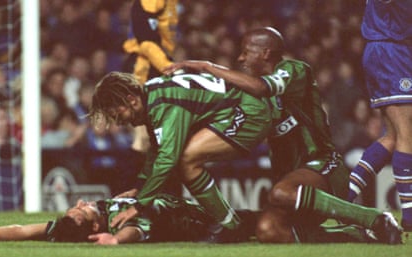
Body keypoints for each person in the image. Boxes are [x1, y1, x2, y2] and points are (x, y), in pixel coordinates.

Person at [163, 27, 403, 244]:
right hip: (293, 185)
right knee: (269, 230)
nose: (240, 58)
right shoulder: (250, 93)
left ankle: (376, 218)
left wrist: (207, 67)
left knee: (280, 192)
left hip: (324, 167)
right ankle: (351, 234)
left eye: (246, 52)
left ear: (265, 53)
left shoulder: (296, 71)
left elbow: (263, 87)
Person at [87, 71, 272, 241]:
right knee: (183, 158)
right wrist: (139, 188)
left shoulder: (163, 105)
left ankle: (232, 226)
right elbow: (156, 150)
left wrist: (139, 206)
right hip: (237, 109)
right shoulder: (153, 96)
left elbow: (167, 159)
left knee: (184, 160)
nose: (120, 123)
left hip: (248, 113)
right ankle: (231, 224)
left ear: (131, 100)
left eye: (118, 115)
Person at [344, 0, 412, 232]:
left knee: (393, 136)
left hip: (392, 51)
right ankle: (410, 216)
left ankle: (345, 197)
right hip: (389, 51)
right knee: (406, 131)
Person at [0, 194, 255, 244]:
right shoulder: (117, 219)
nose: (80, 204)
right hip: (212, 224)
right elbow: (136, 230)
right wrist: (116, 239)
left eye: (74, 207)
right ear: (94, 226)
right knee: (267, 227)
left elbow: (22, 230)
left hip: (211, 211)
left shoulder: (102, 208)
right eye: (82, 210)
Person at [123, 0, 180, 156]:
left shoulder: (167, 6)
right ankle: (131, 175)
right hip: (141, 64)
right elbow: (146, 40)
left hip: (157, 64)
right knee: (141, 137)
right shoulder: (142, 6)